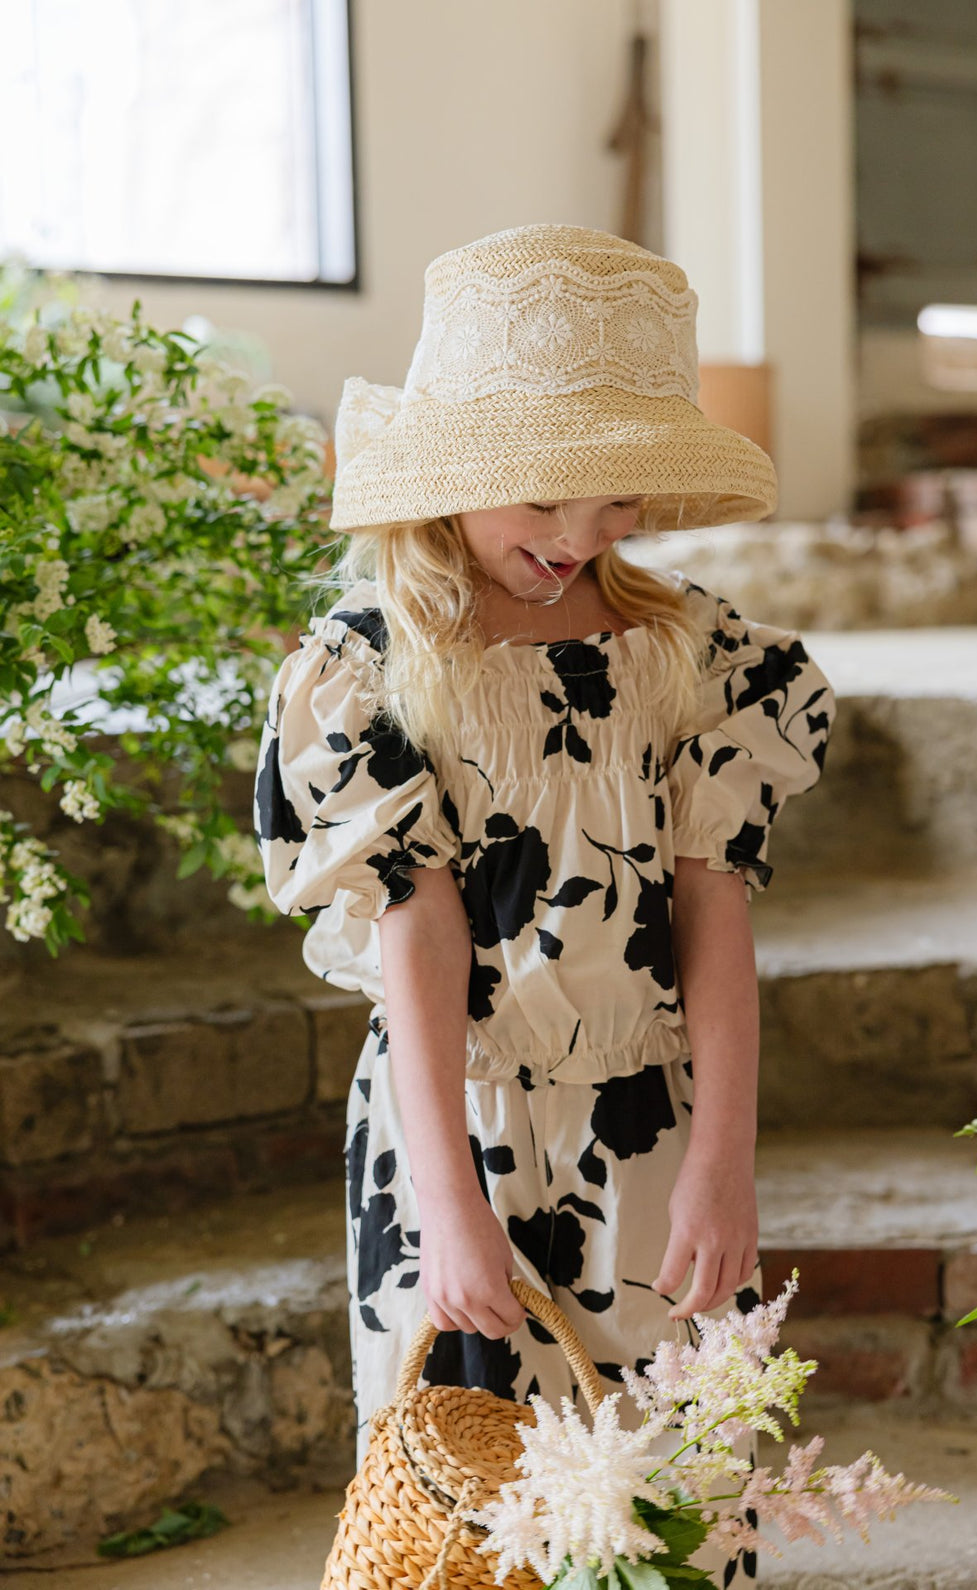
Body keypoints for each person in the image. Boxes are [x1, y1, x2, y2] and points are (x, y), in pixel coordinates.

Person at [254, 224, 835, 1584]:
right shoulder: (377, 670)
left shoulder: (693, 657)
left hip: (651, 1119)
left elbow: (713, 915)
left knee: (671, 1480)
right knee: (475, 1503)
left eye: (615, 499)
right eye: (542, 499)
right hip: (451, 1122)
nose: (578, 540)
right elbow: (419, 931)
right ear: (454, 473)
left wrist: (724, 1157)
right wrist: (451, 1203)